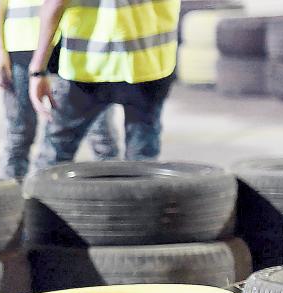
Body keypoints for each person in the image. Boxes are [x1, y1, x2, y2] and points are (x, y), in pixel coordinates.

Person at [28, 0, 179, 168]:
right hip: (148, 63)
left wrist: (38, 69)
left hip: (88, 66)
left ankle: (41, 195)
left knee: (53, 159)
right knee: (142, 166)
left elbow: (55, 4)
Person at [0, 0, 119, 180]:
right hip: (23, 40)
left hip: (77, 41)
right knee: (19, 135)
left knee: (102, 137)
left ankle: (115, 200)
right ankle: (15, 203)